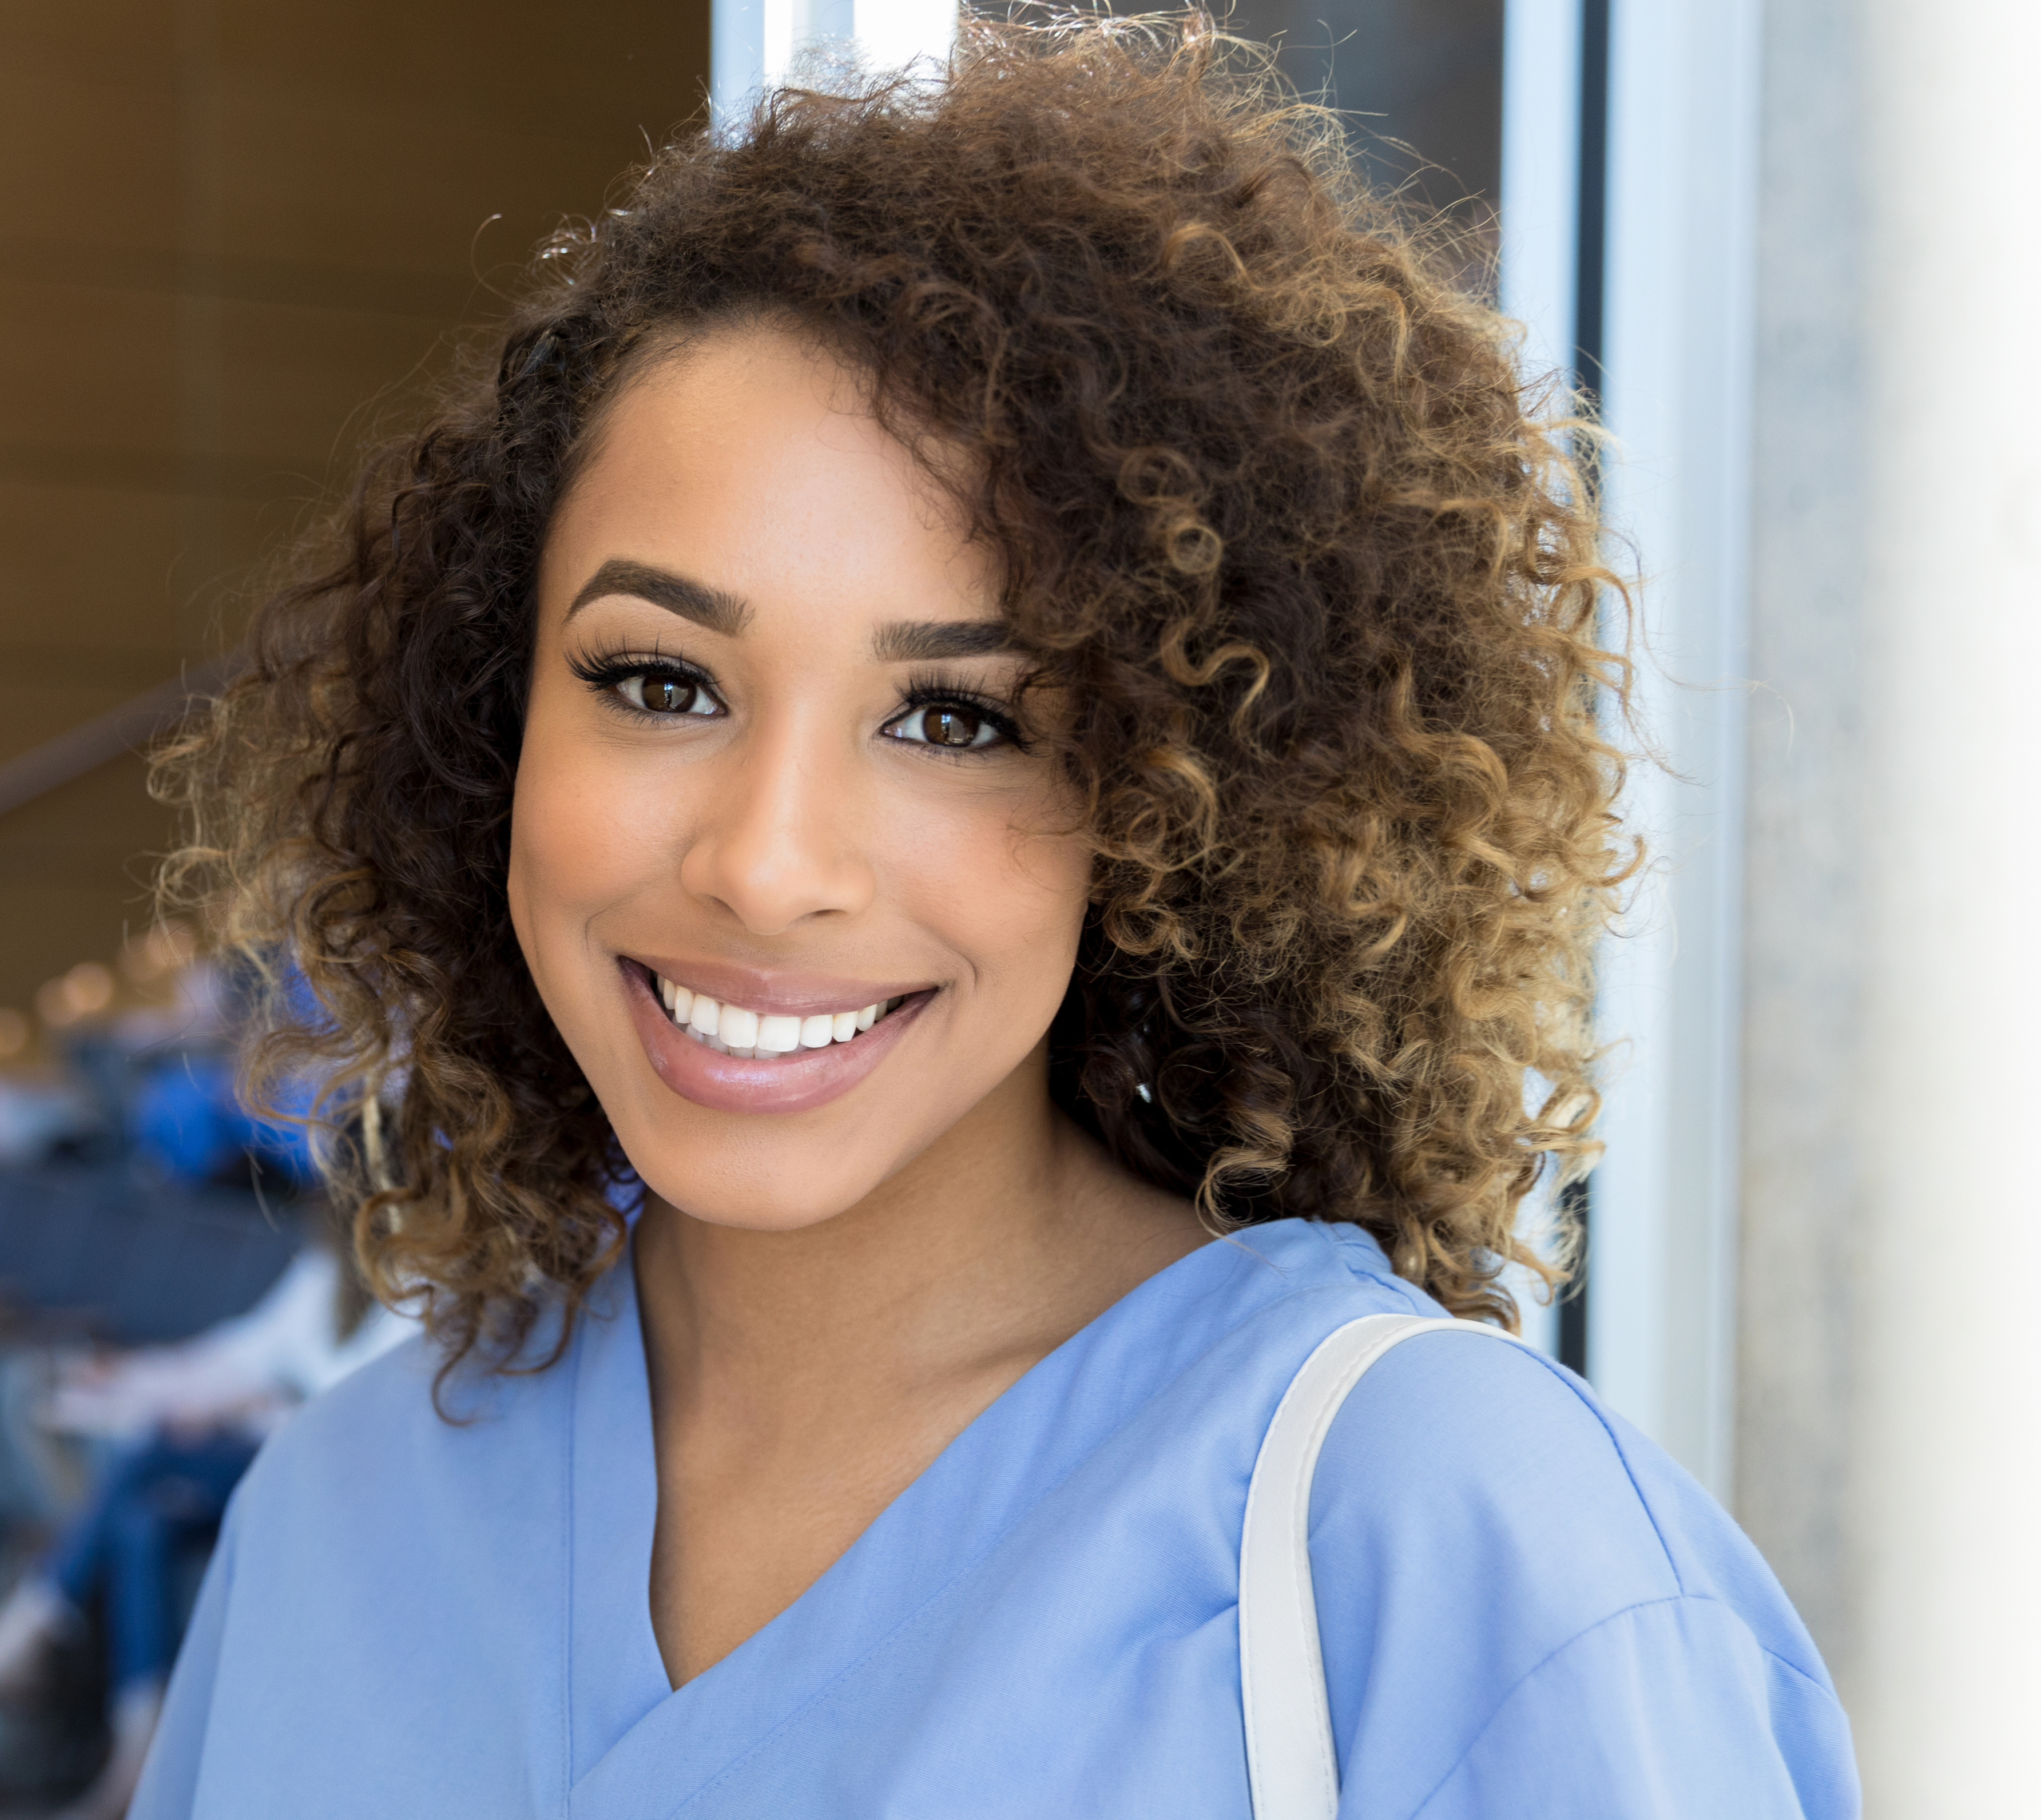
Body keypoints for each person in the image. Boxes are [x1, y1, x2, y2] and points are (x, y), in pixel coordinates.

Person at [138, 19, 1860, 1817]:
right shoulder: (338, 1511)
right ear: (497, 720)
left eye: (959, 718)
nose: (767, 859)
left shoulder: (1437, 1544)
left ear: (1172, 803)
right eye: (658, 681)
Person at [0, 1238, 410, 1820]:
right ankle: (136, 1760)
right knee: (143, 1525)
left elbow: (362, 1412)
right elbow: (244, 1351)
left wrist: (245, 1410)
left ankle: (34, 1626)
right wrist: (140, 1375)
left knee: (153, 1452)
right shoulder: (330, 1266)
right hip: (260, 1457)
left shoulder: (424, 1280)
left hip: (318, 1473)